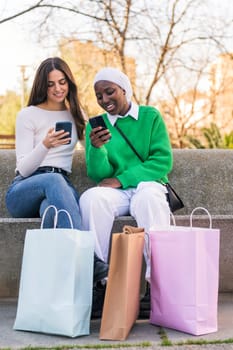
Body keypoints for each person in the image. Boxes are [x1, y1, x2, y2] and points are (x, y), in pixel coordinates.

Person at [79, 67, 173, 317]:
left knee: (149, 198)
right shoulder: (95, 128)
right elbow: (99, 175)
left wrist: (122, 179)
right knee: (91, 199)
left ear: (124, 90)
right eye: (99, 96)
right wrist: (97, 149)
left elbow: (162, 161)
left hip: (147, 183)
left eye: (110, 92)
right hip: (118, 193)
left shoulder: (150, 116)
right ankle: (101, 283)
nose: (105, 100)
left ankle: (157, 285)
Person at [5, 57, 108, 283]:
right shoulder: (28, 114)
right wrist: (45, 145)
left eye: (62, 82)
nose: (58, 88)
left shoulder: (75, 113)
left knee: (52, 212)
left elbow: (91, 150)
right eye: (51, 84)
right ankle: (89, 260)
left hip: (59, 188)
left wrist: (98, 142)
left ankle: (63, 287)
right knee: (53, 180)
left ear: (69, 82)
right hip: (25, 189)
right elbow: (22, 168)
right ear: (43, 86)